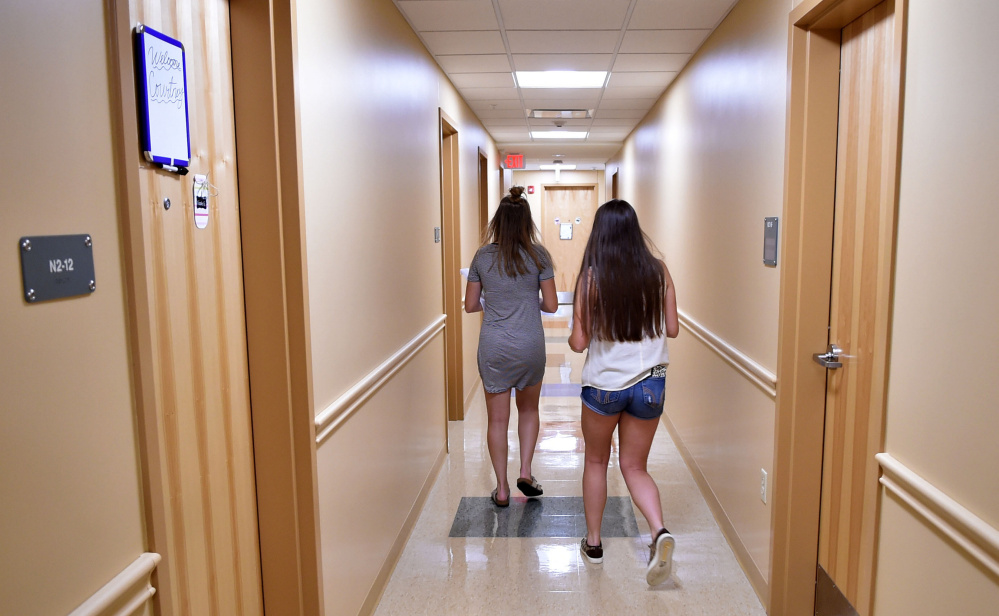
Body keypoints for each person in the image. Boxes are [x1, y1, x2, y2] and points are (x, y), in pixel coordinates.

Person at [567, 199, 679, 586]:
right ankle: (659, 532)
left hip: (604, 386)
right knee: (635, 466)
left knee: (597, 462)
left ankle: (594, 544)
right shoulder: (658, 271)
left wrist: (580, 328)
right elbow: (673, 328)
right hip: (651, 383)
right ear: (634, 232)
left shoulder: (591, 279)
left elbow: (579, 343)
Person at [465, 186, 558, 507]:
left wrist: (495, 299)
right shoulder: (540, 256)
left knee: (497, 421)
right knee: (529, 410)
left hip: (495, 346)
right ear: (526, 222)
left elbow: (470, 305)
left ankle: (502, 489)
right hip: (530, 344)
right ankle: (526, 472)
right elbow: (552, 305)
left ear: (498, 222)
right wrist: (527, 300)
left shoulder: (481, 256)